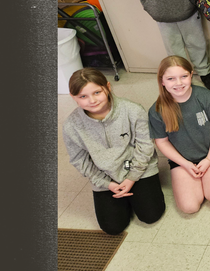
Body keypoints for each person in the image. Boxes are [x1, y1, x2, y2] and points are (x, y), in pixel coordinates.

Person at [64, 68, 165, 234]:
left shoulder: (132, 110)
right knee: (112, 227)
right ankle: (125, 197)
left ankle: (137, 192)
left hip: (138, 170)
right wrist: (106, 183)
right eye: (83, 96)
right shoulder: (71, 126)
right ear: (73, 97)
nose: (92, 100)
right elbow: (79, 160)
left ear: (108, 87)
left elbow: (145, 145)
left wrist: (132, 178)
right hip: (105, 178)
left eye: (97, 92)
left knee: (151, 215)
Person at [148, 56, 210, 213]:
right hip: (182, 159)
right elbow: (162, 142)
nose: (178, 83)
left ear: (191, 75)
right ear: (162, 81)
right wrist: (185, 164)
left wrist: (209, 159)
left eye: (184, 76)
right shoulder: (156, 111)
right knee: (189, 207)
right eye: (171, 78)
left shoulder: (206, 97)